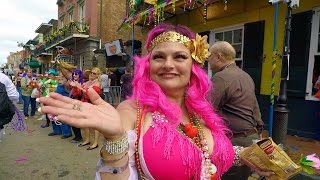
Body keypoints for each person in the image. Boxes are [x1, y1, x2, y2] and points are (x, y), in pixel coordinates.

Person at [38, 24, 273, 179]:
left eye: (180, 56)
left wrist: (246, 154)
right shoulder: (132, 111)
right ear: (148, 67)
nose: (168, 64)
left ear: (194, 66)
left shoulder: (202, 111)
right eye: (159, 57)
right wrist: (115, 140)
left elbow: (206, 155)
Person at [207, 41, 264, 180]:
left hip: (234, 141)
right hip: (251, 137)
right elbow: (255, 107)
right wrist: (259, 132)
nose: (208, 60)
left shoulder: (220, 77)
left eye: (210, 57)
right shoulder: (246, 76)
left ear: (219, 57)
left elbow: (207, 109)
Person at [70, 67, 101, 150]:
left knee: (94, 125)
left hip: (93, 104)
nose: (92, 74)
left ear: (98, 75)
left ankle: (95, 143)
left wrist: (80, 87)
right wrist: (76, 87)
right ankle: (87, 140)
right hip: (85, 104)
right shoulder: (87, 82)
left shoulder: (97, 83)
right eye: (91, 72)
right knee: (85, 123)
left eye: (94, 73)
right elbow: (79, 93)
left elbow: (90, 94)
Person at [47, 73, 72, 139]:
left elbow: (69, 91)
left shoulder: (67, 84)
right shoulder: (58, 83)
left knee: (63, 118)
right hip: (56, 103)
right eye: (59, 78)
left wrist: (65, 83)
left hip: (64, 104)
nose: (60, 79)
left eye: (62, 78)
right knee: (53, 117)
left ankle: (67, 133)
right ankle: (57, 131)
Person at [69, 69, 84, 143]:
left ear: (80, 75)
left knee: (75, 121)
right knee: (72, 121)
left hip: (79, 104)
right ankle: (77, 136)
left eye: (76, 74)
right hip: (73, 103)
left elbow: (80, 94)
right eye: (73, 74)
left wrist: (77, 87)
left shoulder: (82, 84)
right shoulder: (72, 83)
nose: (74, 75)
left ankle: (78, 137)